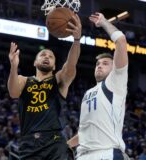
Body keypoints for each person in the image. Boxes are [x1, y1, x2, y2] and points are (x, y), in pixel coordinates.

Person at [7, 14, 81, 160]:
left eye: (51, 56)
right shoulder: (23, 80)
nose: (46, 57)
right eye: (43, 55)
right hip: (28, 143)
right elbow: (13, 92)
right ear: (35, 62)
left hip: (54, 141)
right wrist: (14, 67)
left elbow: (70, 66)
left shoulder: (58, 79)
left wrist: (77, 40)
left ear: (54, 66)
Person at [67, 12, 129, 160]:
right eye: (97, 64)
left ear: (114, 68)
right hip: (82, 155)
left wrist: (103, 22)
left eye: (105, 63)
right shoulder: (88, 93)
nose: (99, 66)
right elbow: (84, 133)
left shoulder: (115, 82)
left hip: (107, 153)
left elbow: (121, 41)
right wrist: (66, 145)